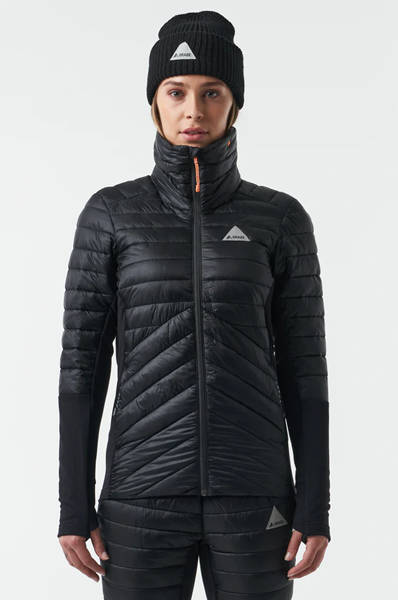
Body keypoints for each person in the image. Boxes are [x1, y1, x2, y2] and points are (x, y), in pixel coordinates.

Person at [57, 10, 331, 600]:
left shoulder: (279, 219)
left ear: (235, 105)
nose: (194, 111)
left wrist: (315, 504)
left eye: (212, 92)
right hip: (139, 498)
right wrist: (73, 505)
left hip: (255, 496)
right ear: (153, 103)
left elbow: (305, 370)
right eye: (176, 92)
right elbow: (81, 370)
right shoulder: (110, 215)